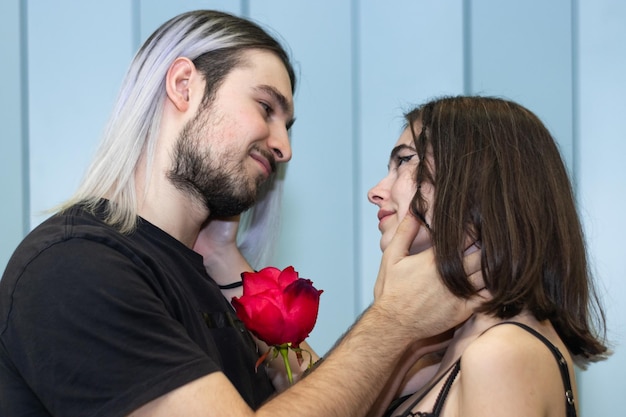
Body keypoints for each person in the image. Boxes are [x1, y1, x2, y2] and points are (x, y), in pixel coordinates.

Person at [0, 10, 483, 417]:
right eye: (266, 107)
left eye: (288, 125)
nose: (284, 147)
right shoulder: (77, 267)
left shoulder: (205, 271)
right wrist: (394, 321)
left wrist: (227, 261)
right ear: (184, 86)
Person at [366, 96, 609, 417]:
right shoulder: (442, 352)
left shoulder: (501, 354)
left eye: (404, 161)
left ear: (477, 180)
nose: (376, 191)